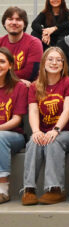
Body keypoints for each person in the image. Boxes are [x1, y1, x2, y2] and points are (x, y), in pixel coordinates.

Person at [21, 47, 69, 205]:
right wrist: (36, 131)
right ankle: (29, 189)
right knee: (33, 142)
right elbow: (33, 111)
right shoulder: (35, 86)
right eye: (50, 59)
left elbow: (67, 110)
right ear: (43, 63)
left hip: (67, 132)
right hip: (43, 130)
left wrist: (56, 130)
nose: (54, 63)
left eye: (58, 60)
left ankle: (55, 189)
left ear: (63, 64)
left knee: (54, 141)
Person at [0, 48, 27, 203]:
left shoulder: (19, 87)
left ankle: (3, 190)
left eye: (2, 62)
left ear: (10, 65)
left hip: (14, 135)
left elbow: (17, 119)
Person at [0, 7, 43, 85]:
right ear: (4, 23)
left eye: (18, 19)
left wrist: (4, 76)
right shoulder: (0, 42)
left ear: (25, 24)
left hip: (25, 88)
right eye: (10, 19)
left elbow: (31, 73)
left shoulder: (34, 43)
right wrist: (16, 79)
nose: (14, 22)